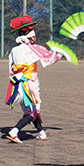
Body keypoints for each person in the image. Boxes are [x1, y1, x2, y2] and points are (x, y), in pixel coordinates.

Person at [6, 15, 61, 143]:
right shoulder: (34, 48)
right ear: (30, 36)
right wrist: (60, 53)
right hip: (30, 83)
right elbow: (49, 60)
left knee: (31, 109)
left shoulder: (14, 50)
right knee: (32, 111)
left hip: (18, 83)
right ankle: (14, 131)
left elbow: (11, 69)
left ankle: (41, 133)